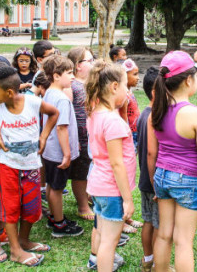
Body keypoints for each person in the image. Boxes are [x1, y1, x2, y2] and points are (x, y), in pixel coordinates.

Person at [0, 66, 59, 266]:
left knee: (32, 208)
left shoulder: (33, 103)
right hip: (8, 168)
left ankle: (24, 239)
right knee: (10, 209)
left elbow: (54, 113)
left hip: (32, 166)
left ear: (9, 92)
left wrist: (43, 136)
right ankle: (16, 250)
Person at [147, 51, 197, 272]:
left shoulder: (156, 111)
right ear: (189, 80)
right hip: (189, 181)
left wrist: (155, 183)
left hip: (162, 176)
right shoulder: (196, 115)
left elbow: (153, 153)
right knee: (183, 241)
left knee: (164, 234)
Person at [85, 60, 137, 272]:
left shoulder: (96, 112)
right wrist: (127, 199)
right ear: (114, 86)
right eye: (126, 86)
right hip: (112, 190)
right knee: (109, 241)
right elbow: (117, 163)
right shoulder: (112, 121)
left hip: (98, 185)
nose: (128, 91)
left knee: (102, 231)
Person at [41, 55, 84, 237]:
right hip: (59, 153)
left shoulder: (49, 93)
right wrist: (67, 153)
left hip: (49, 152)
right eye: (68, 73)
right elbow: (62, 128)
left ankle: (54, 216)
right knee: (57, 188)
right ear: (56, 76)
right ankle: (59, 224)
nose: (73, 76)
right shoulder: (62, 99)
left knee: (51, 185)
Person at [66, 47, 96, 220]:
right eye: (89, 61)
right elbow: (67, 113)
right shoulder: (72, 86)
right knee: (80, 173)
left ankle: (88, 196)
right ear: (78, 65)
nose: (92, 63)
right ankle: (82, 206)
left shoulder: (89, 84)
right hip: (80, 136)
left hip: (91, 135)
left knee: (89, 169)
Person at [138, 66, 160, 272]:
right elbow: (152, 153)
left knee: (148, 220)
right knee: (158, 223)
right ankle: (157, 264)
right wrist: (156, 183)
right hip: (154, 180)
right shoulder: (156, 117)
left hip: (145, 177)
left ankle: (148, 258)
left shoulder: (143, 114)